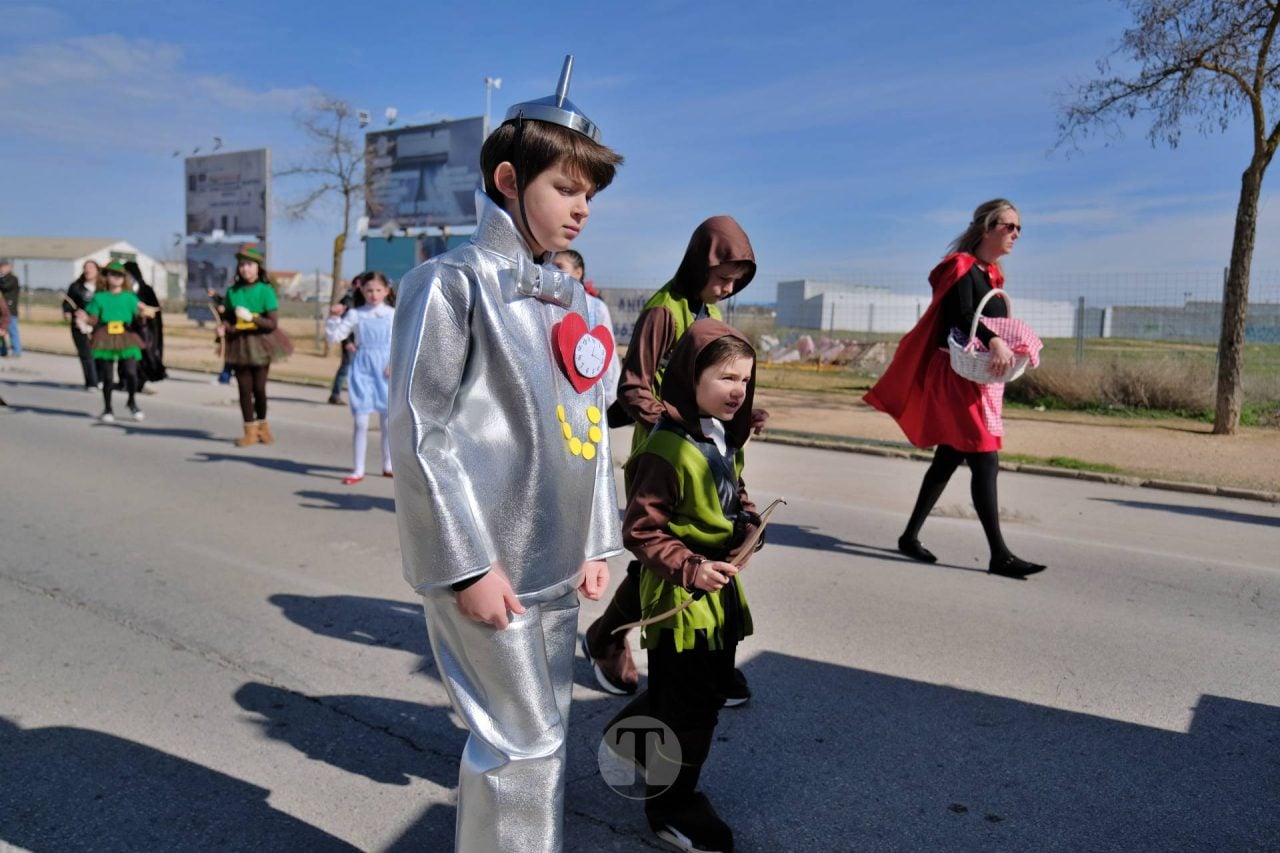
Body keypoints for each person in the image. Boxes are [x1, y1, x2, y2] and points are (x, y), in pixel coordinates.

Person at [387, 55, 623, 852]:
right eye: (566, 187)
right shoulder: (452, 284)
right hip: (487, 560)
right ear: (508, 179)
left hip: (556, 560)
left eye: (590, 194)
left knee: (541, 731)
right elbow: (418, 429)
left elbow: (589, 429)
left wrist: (597, 538)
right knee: (523, 740)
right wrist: (463, 565)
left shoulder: (580, 303)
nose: (581, 208)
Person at [583, 215, 765, 701]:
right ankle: (609, 640)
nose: (727, 289)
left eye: (736, 282)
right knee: (665, 547)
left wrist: (736, 410)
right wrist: (680, 421)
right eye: (722, 277)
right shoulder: (664, 311)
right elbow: (633, 389)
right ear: (698, 264)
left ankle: (708, 653)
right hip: (666, 453)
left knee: (699, 541)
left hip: (704, 446)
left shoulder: (708, 310)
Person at [611, 319, 763, 852]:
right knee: (689, 710)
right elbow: (640, 530)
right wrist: (691, 566)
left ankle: (631, 740)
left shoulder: (722, 436)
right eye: (726, 377)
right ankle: (670, 809)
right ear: (689, 376)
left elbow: (734, 493)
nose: (738, 390)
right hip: (681, 598)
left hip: (718, 593)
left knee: (702, 691)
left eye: (745, 379)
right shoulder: (665, 450)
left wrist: (749, 522)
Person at [864, 198, 1046, 579]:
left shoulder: (992, 276)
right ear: (986, 228)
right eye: (1008, 226)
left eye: (1019, 228)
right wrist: (994, 341)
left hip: (977, 381)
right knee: (985, 458)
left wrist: (1005, 341)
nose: (1015, 234)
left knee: (948, 457)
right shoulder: (961, 267)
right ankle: (999, 555)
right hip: (957, 379)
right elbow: (960, 317)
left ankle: (909, 536)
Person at [214, 245, 293, 447]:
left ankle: (263, 427)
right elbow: (228, 319)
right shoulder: (232, 292)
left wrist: (252, 318)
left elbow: (272, 323)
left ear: (258, 267)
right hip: (239, 344)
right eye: (242, 265)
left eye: (249, 265)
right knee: (244, 389)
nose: (245, 269)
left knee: (259, 388)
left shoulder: (266, 291)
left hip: (261, 343)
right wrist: (223, 328)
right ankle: (249, 431)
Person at [325, 271, 394, 484]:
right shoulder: (356, 314)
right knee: (361, 421)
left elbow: (402, 342)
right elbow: (334, 337)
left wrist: (394, 362)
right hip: (363, 368)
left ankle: (388, 464)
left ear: (386, 291)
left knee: (388, 422)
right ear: (362, 290)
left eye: (378, 290)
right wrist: (334, 318)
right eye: (369, 290)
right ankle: (358, 469)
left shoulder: (392, 314)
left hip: (386, 369)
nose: (374, 294)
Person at [75, 260, 151, 422]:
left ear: (124, 279)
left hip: (126, 335)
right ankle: (108, 408)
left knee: (131, 372)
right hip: (106, 336)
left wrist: (143, 314)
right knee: (108, 377)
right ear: (106, 277)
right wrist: (85, 318)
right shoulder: (99, 297)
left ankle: (132, 401)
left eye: (120, 275)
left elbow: (139, 320)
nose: (116, 278)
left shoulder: (130, 297)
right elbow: (93, 319)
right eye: (113, 274)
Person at [552, 249, 620, 410]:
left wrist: (608, 399)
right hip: (554, 393)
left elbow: (608, 357)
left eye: (559, 266)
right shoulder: (548, 305)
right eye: (551, 266)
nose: (553, 271)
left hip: (586, 396)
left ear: (578, 272)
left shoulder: (596, 308)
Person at [124, 261, 166, 392]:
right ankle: (126, 381)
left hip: (145, 328)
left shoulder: (145, 289)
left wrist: (145, 313)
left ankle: (141, 381)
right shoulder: (123, 290)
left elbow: (155, 310)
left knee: (143, 355)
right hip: (127, 327)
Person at [327, 275, 365, 405]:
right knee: (346, 367)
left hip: (359, 340)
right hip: (349, 340)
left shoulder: (362, 301)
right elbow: (343, 324)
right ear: (354, 285)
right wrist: (348, 342)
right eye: (358, 284)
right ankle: (335, 395)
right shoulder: (348, 300)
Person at [63, 261, 101, 390]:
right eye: (85, 267)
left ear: (97, 270)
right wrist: (68, 312)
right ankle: (91, 382)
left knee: (99, 353)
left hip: (98, 325)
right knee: (85, 353)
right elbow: (68, 302)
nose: (87, 270)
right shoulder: (76, 287)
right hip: (79, 324)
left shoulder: (103, 287)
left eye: (91, 267)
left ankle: (100, 379)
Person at [0, 258, 21, 357]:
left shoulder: (13, 279)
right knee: (1, 331)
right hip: (2, 310)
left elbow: (6, 286)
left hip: (11, 310)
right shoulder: (2, 278)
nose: (1, 269)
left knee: (12, 331)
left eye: (3, 266)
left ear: (9, 267)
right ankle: (2, 350)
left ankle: (16, 351)